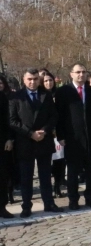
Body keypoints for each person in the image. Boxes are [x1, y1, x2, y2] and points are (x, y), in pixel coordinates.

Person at [10, 68, 62, 216]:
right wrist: (30, 133)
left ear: (39, 80)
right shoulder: (16, 97)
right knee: (26, 177)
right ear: (23, 79)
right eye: (29, 79)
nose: (32, 82)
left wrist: (44, 131)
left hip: (43, 140)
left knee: (45, 176)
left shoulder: (46, 95)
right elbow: (12, 120)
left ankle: (49, 203)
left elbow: (54, 116)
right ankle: (26, 206)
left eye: (35, 79)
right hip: (25, 142)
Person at [54, 63, 91, 210]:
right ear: (71, 74)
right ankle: (73, 200)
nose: (81, 75)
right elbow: (59, 116)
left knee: (90, 171)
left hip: (90, 137)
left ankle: (90, 197)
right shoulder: (63, 91)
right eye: (78, 72)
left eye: (83, 72)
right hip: (72, 137)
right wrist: (61, 135)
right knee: (73, 172)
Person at [41, 72, 66, 199]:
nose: (48, 83)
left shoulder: (59, 94)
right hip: (44, 133)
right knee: (45, 165)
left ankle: (58, 186)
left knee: (59, 162)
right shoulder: (40, 95)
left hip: (58, 133)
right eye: (45, 81)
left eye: (50, 80)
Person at [0, 76, 13, 218]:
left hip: (1, 141)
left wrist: (9, 138)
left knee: (2, 176)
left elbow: (7, 119)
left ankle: (1, 206)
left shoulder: (2, 97)